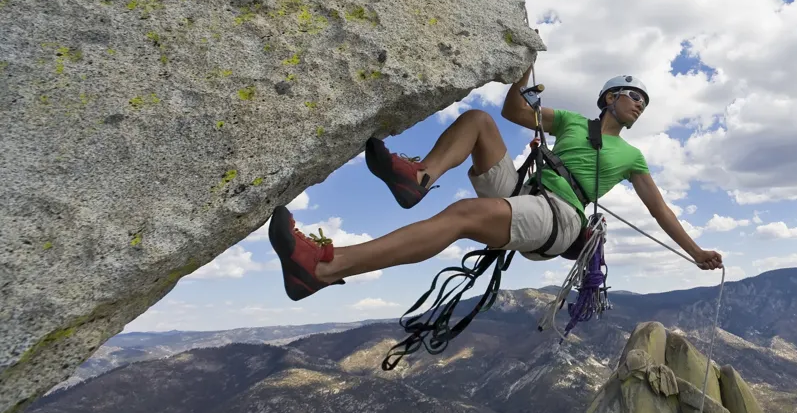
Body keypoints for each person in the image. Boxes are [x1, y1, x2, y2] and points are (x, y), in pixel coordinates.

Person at [268, 68, 724, 300]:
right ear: (609, 98)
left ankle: (324, 268)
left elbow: (660, 209)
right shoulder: (567, 121)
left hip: (561, 217)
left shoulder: (633, 157)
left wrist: (696, 251)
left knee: (463, 215)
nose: (640, 105)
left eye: (645, 102)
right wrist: (522, 73)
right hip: (527, 194)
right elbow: (512, 112)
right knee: (480, 121)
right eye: (634, 96)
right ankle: (419, 178)